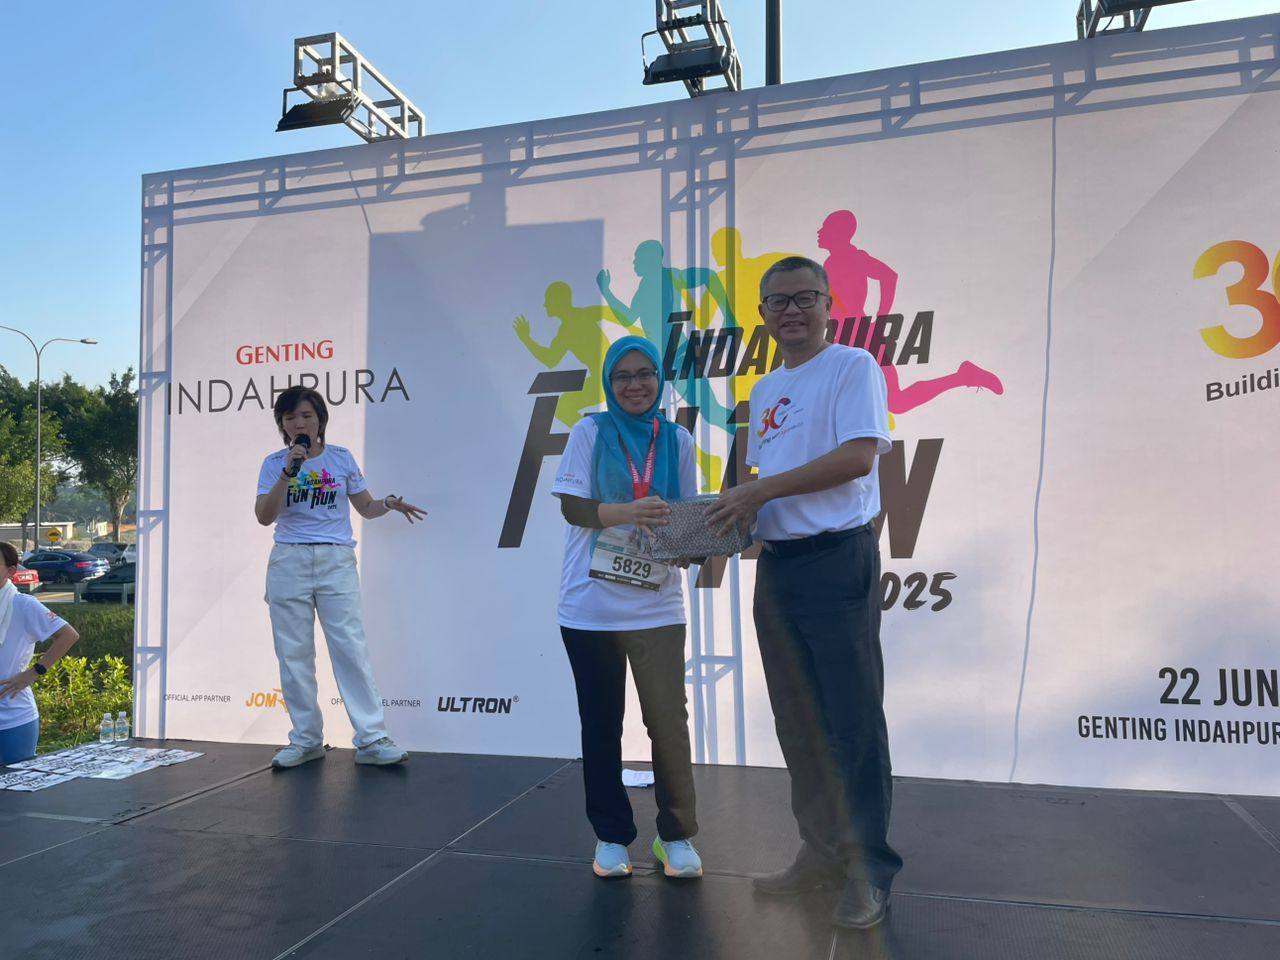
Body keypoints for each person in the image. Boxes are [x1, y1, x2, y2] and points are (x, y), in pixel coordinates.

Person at [706, 256, 903, 930]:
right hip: (780, 567)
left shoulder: (852, 367)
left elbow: (858, 457)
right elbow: (757, 485)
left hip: (838, 560)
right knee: (799, 720)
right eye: (778, 301)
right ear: (762, 314)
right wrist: (705, 528)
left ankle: (868, 867)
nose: (791, 310)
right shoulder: (763, 390)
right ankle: (820, 854)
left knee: (853, 721)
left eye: (804, 297)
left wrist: (758, 490)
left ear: (827, 304)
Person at [551, 335, 703, 880]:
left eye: (644, 375)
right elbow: (573, 508)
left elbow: (684, 517)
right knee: (601, 724)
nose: (634, 385)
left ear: (659, 381)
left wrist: (689, 546)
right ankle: (611, 837)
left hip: (658, 607)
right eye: (623, 376)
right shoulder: (589, 431)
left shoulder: (678, 439)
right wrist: (629, 513)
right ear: (609, 382)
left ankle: (676, 836)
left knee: (668, 724)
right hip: (590, 608)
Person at [254, 386, 426, 769]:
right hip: (289, 560)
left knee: (349, 647)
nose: (299, 424)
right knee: (293, 653)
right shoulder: (274, 463)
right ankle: (306, 740)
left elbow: (365, 507)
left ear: (320, 420)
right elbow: (264, 516)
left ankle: (372, 739)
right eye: (290, 418)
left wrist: (388, 504)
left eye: (306, 416)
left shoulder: (341, 458)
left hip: (335, 559)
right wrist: (288, 473)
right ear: (282, 425)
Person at [0, 541, 81, 765]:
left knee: (16, 784)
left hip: (13, 717)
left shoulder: (24, 604)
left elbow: (68, 635)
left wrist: (35, 671)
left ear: (11, 571)